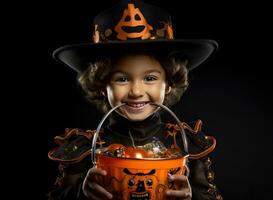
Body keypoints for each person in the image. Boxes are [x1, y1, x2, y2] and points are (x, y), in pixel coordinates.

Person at [48, 0, 223, 199]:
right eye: (122, 79)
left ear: (168, 84)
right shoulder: (84, 149)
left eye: (150, 78)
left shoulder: (186, 145)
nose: (136, 91)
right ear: (102, 86)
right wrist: (81, 193)